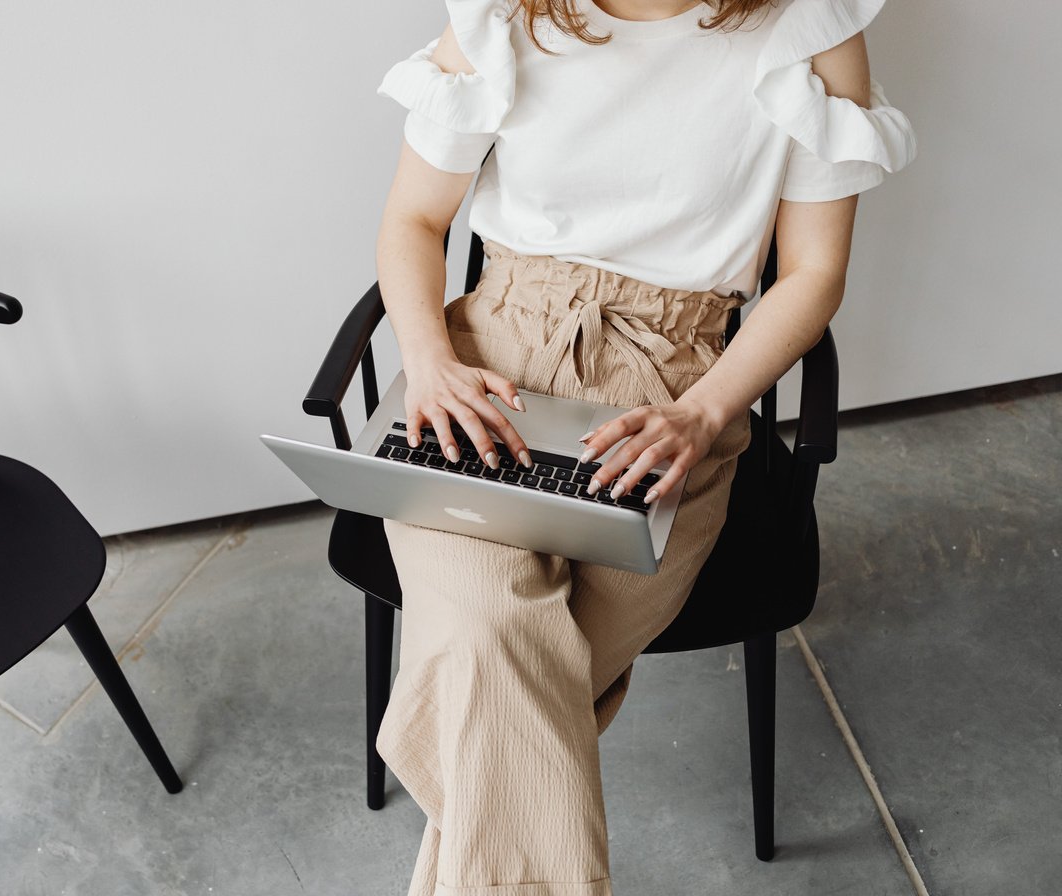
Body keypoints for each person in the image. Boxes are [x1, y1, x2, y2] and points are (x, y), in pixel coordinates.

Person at [370, 0, 916, 892]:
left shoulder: (809, 31)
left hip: (671, 395)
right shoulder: (502, 16)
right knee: (492, 638)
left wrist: (703, 416)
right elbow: (414, 223)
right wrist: (428, 361)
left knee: (487, 680)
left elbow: (814, 273)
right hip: (490, 368)